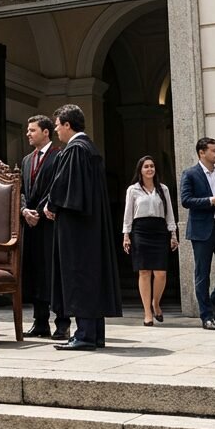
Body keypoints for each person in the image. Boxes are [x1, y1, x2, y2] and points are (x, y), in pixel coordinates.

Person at [46, 104, 122, 350]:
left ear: (68, 125)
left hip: (76, 228)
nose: (56, 131)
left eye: (57, 126)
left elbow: (66, 188)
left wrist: (51, 205)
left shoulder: (76, 150)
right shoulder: (90, 148)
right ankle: (94, 333)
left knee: (79, 276)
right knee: (90, 276)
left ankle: (84, 336)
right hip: (90, 226)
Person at [179, 137, 215, 330]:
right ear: (202, 153)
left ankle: (213, 304)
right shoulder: (190, 174)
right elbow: (186, 200)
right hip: (202, 230)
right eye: (213, 150)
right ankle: (206, 317)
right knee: (202, 274)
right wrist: (211, 200)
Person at [20, 115, 66, 339]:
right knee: (36, 273)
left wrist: (38, 211)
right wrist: (23, 211)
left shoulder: (59, 156)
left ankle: (62, 323)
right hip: (30, 226)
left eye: (32, 130)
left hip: (49, 224)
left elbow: (56, 188)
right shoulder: (27, 160)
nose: (28, 134)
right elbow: (19, 190)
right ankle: (40, 323)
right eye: (28, 130)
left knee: (54, 273)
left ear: (46, 132)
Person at [122, 156, 179, 326]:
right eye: (146, 166)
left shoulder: (163, 189)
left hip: (159, 230)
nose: (149, 169)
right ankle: (147, 312)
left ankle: (156, 303)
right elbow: (128, 213)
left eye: (152, 166)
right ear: (140, 170)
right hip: (140, 230)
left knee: (161, 273)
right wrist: (126, 235)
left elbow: (169, 213)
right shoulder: (133, 190)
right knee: (144, 272)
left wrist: (173, 234)